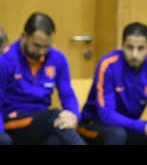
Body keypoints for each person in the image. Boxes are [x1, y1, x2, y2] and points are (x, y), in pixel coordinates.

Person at [77, 21, 147, 145]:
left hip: (128, 126)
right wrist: (144, 128)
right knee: (117, 135)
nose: (135, 55)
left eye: (140, 48)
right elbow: (106, 115)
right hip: (92, 125)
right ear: (122, 46)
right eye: (130, 48)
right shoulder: (108, 65)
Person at [0, 12, 86, 145]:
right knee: (55, 116)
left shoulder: (58, 59)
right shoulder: (5, 60)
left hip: (41, 123)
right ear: (24, 37)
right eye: (37, 45)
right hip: (13, 122)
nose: (41, 52)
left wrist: (74, 115)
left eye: (46, 46)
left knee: (55, 140)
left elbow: (68, 94)